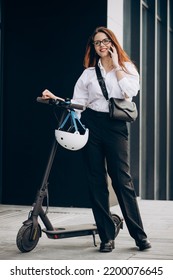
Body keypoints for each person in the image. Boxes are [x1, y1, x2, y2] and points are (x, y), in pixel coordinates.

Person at [42, 26, 151, 253]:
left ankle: (139, 235)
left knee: (122, 181)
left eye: (105, 41)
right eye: (97, 43)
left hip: (116, 127)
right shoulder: (89, 74)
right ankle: (106, 237)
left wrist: (117, 67)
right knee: (96, 181)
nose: (101, 45)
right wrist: (57, 99)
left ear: (113, 43)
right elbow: (79, 104)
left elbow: (130, 91)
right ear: (93, 47)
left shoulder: (127, 68)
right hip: (92, 125)